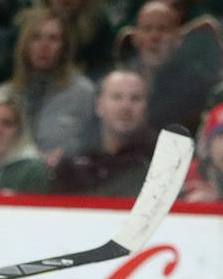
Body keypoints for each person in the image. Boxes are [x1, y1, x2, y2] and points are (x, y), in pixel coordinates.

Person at [0, 7, 97, 159]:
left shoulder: (84, 92)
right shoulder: (4, 95)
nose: (44, 46)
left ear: (65, 46)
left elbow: (95, 147)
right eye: (36, 38)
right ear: (24, 44)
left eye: (53, 39)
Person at [50, 69, 156, 197]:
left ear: (146, 108)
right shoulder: (73, 159)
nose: (126, 106)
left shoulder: (162, 159)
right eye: (116, 97)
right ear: (99, 105)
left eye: (135, 98)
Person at [114, 0, 214, 135]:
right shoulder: (120, 81)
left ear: (178, 38)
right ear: (135, 38)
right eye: (147, 29)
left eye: (163, 29)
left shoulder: (197, 84)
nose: (154, 37)